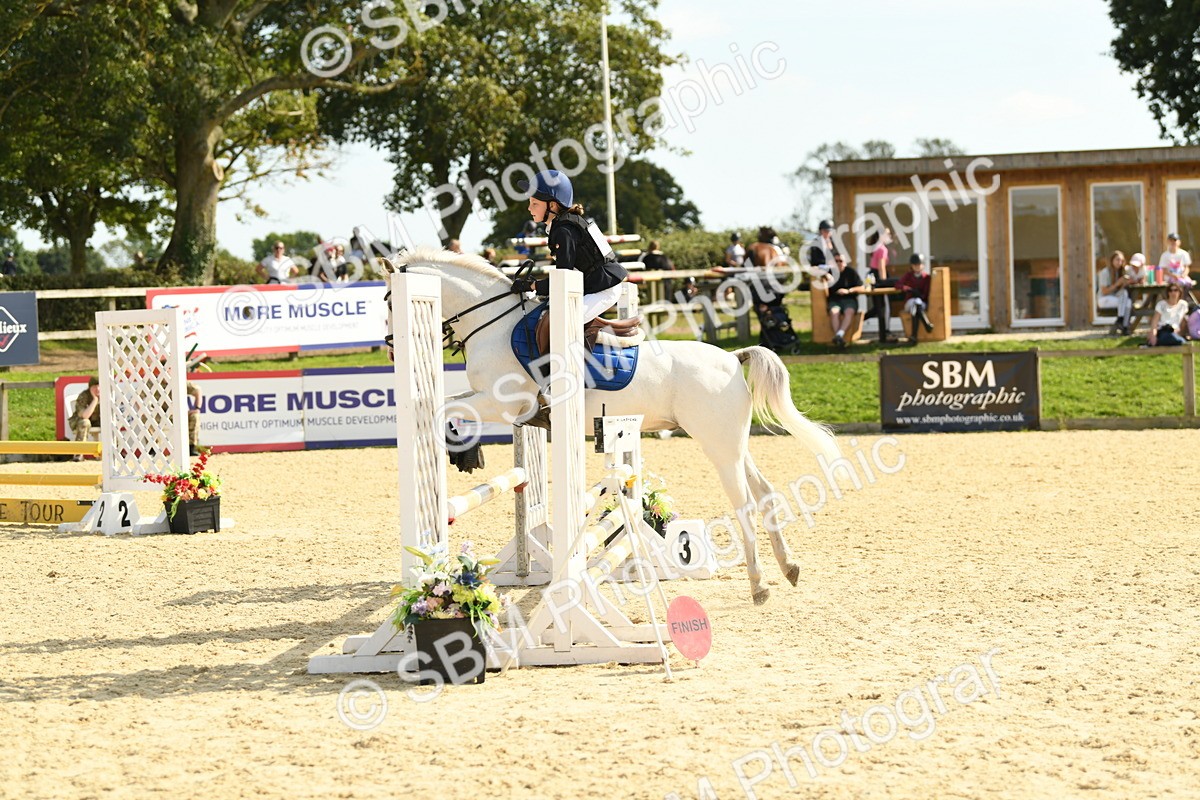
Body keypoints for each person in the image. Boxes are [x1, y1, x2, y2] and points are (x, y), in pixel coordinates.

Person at [510, 170, 628, 323]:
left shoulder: (564, 231)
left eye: (535, 204)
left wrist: (532, 286)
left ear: (552, 205)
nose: (529, 208)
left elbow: (563, 279)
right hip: (597, 284)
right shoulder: (565, 224)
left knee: (560, 322)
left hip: (604, 289)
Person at [863, 228, 899, 343]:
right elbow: (881, 267)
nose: (889, 236)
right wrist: (884, 283)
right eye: (887, 234)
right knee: (884, 307)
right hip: (877, 277)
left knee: (878, 308)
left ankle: (859, 320)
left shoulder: (876, 248)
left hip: (871, 276)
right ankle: (886, 332)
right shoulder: (882, 249)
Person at [823, 251, 863, 349]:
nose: (838, 263)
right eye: (836, 261)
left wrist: (848, 291)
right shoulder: (830, 273)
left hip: (849, 299)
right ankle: (839, 338)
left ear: (844, 262)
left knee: (849, 311)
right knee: (834, 312)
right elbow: (816, 269)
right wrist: (824, 274)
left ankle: (839, 335)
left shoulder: (851, 272)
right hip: (835, 300)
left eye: (840, 261)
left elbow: (861, 287)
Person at [895, 253, 935, 343]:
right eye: (915, 265)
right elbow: (898, 284)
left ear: (923, 265)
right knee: (915, 303)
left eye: (919, 265)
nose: (917, 267)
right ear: (912, 266)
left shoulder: (927, 277)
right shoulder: (908, 275)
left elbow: (927, 292)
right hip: (910, 302)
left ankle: (914, 335)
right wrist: (909, 289)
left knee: (916, 305)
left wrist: (921, 295)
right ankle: (926, 324)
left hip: (921, 303)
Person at [1097, 250, 1135, 335]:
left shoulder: (1121, 272)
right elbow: (1105, 291)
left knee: (1127, 300)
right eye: (1117, 260)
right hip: (1104, 299)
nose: (1119, 262)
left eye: (1121, 260)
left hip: (1117, 298)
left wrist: (1125, 283)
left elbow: (1120, 291)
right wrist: (1117, 283)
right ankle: (1122, 320)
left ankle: (1123, 325)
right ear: (1112, 260)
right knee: (1125, 301)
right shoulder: (1105, 272)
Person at [67, 377, 101, 459]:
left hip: (97, 420)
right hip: (79, 421)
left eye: (99, 386)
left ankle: (114, 451)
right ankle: (78, 453)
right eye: (94, 387)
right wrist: (95, 400)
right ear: (90, 388)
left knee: (111, 423)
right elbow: (85, 415)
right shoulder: (84, 396)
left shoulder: (105, 395)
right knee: (85, 422)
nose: (97, 389)